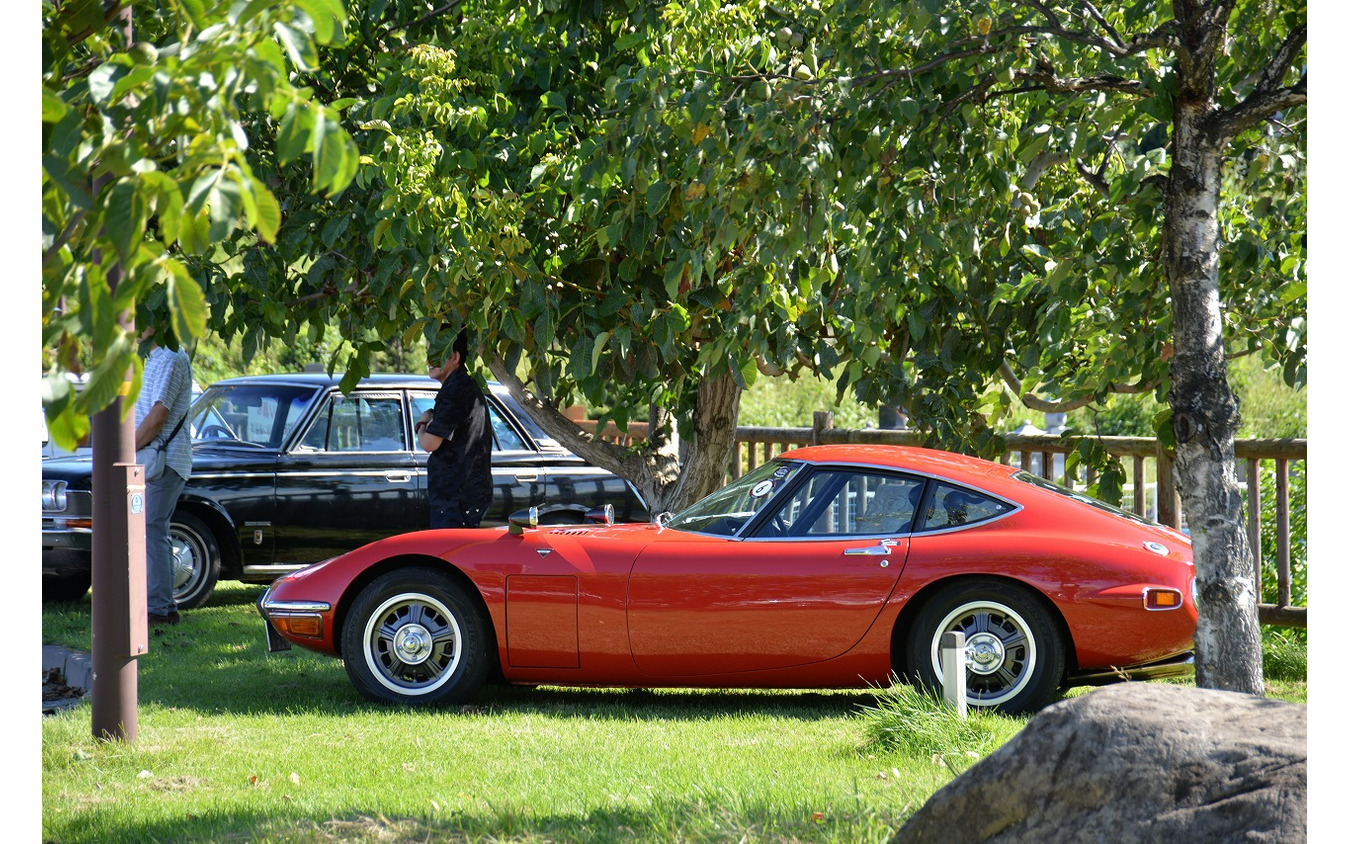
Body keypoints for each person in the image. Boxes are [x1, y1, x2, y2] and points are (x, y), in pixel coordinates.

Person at [134, 322, 194, 627]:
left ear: (157, 321)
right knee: (149, 530)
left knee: (151, 528)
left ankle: (159, 609)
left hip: (165, 460)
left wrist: (125, 448)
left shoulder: (171, 356)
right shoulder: (150, 356)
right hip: (150, 458)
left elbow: (158, 416)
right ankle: (160, 605)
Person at [416, 329, 493, 527]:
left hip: (456, 501)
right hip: (461, 498)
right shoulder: (461, 386)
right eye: (428, 354)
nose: (429, 361)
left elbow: (429, 443)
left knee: (447, 558)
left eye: (436, 353)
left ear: (455, 356)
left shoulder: (456, 391)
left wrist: (422, 423)